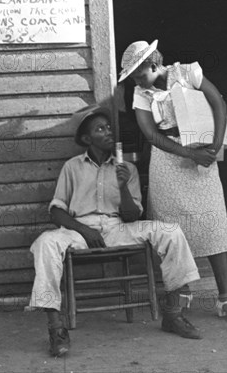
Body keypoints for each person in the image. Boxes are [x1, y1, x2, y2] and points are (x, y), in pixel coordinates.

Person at [27, 104, 203, 357]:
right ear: (87, 139)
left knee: (171, 231)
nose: (108, 132)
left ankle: (173, 315)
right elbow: (56, 211)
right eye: (100, 129)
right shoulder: (72, 167)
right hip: (79, 231)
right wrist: (84, 230)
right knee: (45, 242)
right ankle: (56, 328)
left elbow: (133, 216)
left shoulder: (126, 169)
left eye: (109, 127)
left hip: (117, 228)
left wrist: (122, 187)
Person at [118, 40, 227, 326]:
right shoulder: (141, 94)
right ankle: (182, 292)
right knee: (172, 228)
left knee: (213, 221)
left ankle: (226, 298)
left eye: (139, 73)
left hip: (203, 152)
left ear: (153, 65)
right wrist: (190, 154)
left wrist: (214, 146)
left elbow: (218, 102)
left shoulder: (188, 73)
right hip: (168, 160)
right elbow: (152, 135)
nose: (136, 80)